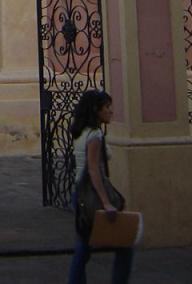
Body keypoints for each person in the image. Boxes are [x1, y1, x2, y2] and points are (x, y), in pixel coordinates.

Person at [67, 89, 134, 284]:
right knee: (124, 245)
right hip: (91, 197)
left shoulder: (80, 132)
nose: (111, 111)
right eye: (107, 107)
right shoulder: (95, 135)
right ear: (96, 110)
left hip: (78, 194)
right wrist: (106, 202)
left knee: (83, 248)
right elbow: (94, 170)